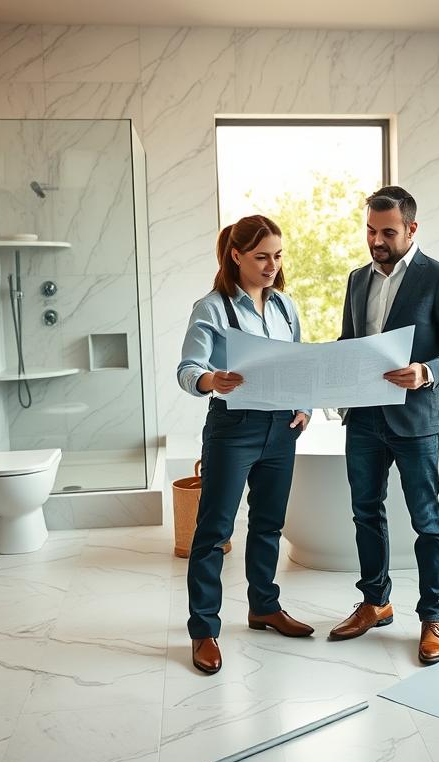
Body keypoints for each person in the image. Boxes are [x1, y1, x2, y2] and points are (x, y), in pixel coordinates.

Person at [328, 186, 439, 664]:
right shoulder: (357, 280)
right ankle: (375, 602)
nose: (377, 240)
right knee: (365, 513)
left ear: (411, 228)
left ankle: (433, 616)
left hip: (415, 419)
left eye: (388, 232)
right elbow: (350, 341)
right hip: (363, 418)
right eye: (370, 231)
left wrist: (427, 371)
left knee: (426, 521)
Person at [177, 215, 314, 675]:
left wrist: (304, 407)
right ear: (236, 256)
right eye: (261, 257)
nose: (272, 265)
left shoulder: (285, 308)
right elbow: (187, 370)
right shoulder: (212, 308)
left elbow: (298, 365)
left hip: (282, 429)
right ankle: (203, 629)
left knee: (269, 524)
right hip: (233, 429)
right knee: (214, 531)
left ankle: (264, 608)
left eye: (278, 256)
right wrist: (211, 379)